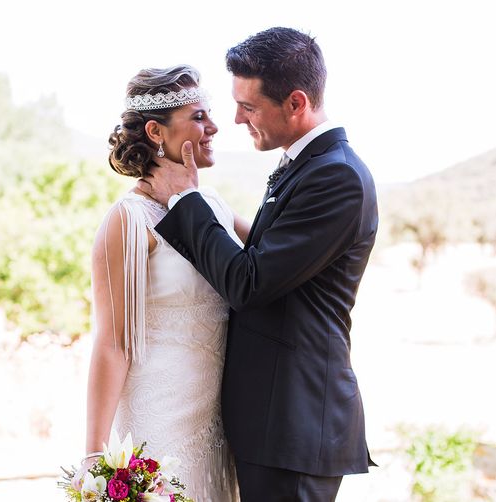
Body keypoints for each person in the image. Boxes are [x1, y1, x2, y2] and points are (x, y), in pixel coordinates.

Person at [138, 27, 378, 501]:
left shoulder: (337, 176)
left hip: (294, 422)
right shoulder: (310, 165)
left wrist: (188, 201)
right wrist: (213, 209)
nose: (235, 118)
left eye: (248, 107)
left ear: (295, 102)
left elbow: (248, 282)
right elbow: (270, 253)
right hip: (274, 423)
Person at [84, 65, 245, 501]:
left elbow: (263, 268)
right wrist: (94, 459)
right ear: (156, 131)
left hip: (216, 423)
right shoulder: (129, 221)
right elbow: (112, 343)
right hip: (158, 425)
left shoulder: (211, 203)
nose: (213, 127)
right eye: (198, 117)